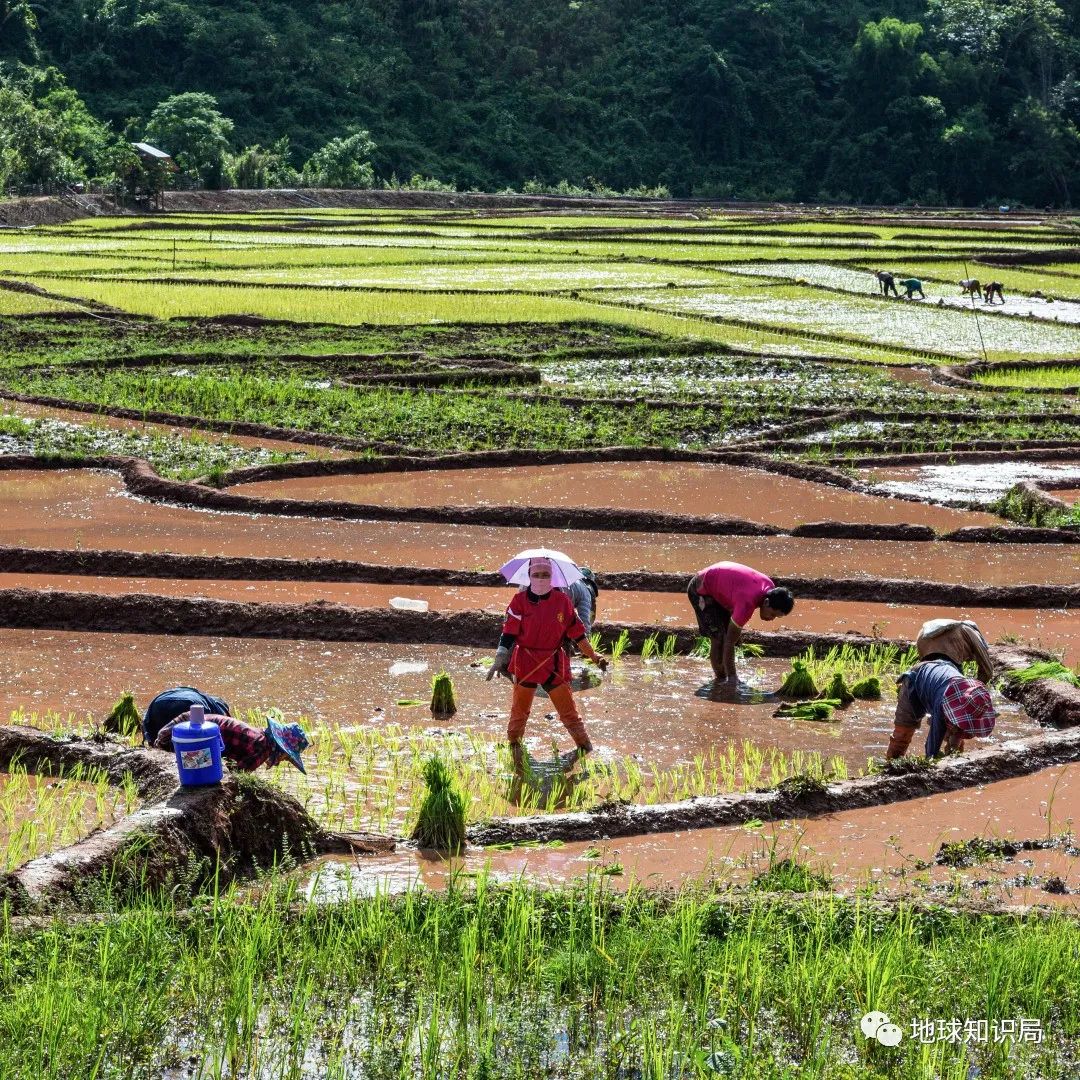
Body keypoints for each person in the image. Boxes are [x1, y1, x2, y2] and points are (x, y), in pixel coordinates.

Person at [487, 557, 608, 760]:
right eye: (536, 575)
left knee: (569, 713)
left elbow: (579, 635)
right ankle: (514, 749)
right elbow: (509, 633)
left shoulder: (563, 603)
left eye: (545, 575)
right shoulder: (519, 602)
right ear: (529, 577)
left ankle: (585, 747)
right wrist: (500, 658)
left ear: (552, 578)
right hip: (526, 663)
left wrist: (595, 656)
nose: (541, 579)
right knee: (519, 713)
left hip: (554, 663)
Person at [687, 562, 794, 684]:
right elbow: (729, 642)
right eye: (773, 614)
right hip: (700, 588)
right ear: (766, 603)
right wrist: (733, 678)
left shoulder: (770, 587)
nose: (772, 619)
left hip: (718, 584)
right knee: (719, 638)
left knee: (730, 634)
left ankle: (723, 675)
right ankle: (720, 680)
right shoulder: (747, 603)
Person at [885, 657, 997, 759]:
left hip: (944, 673)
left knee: (957, 740)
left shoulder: (975, 698)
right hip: (916, 680)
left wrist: (953, 752)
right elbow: (932, 743)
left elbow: (960, 730)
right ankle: (890, 767)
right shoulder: (943, 702)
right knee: (903, 733)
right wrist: (930, 762)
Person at [153, 710, 309, 773]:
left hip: (183, 724)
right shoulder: (264, 748)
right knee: (203, 769)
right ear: (281, 750)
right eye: (286, 757)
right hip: (186, 737)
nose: (282, 761)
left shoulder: (257, 735)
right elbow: (238, 775)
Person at [143, 686, 230, 746]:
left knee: (159, 740)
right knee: (191, 745)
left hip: (158, 703)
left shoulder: (202, 696)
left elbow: (148, 724)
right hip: (191, 705)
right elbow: (219, 738)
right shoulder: (219, 711)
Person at [915, 617, 993, 683]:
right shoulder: (972, 633)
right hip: (949, 650)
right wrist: (975, 687)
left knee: (927, 676)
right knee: (956, 683)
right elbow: (987, 670)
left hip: (922, 638)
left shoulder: (960, 627)